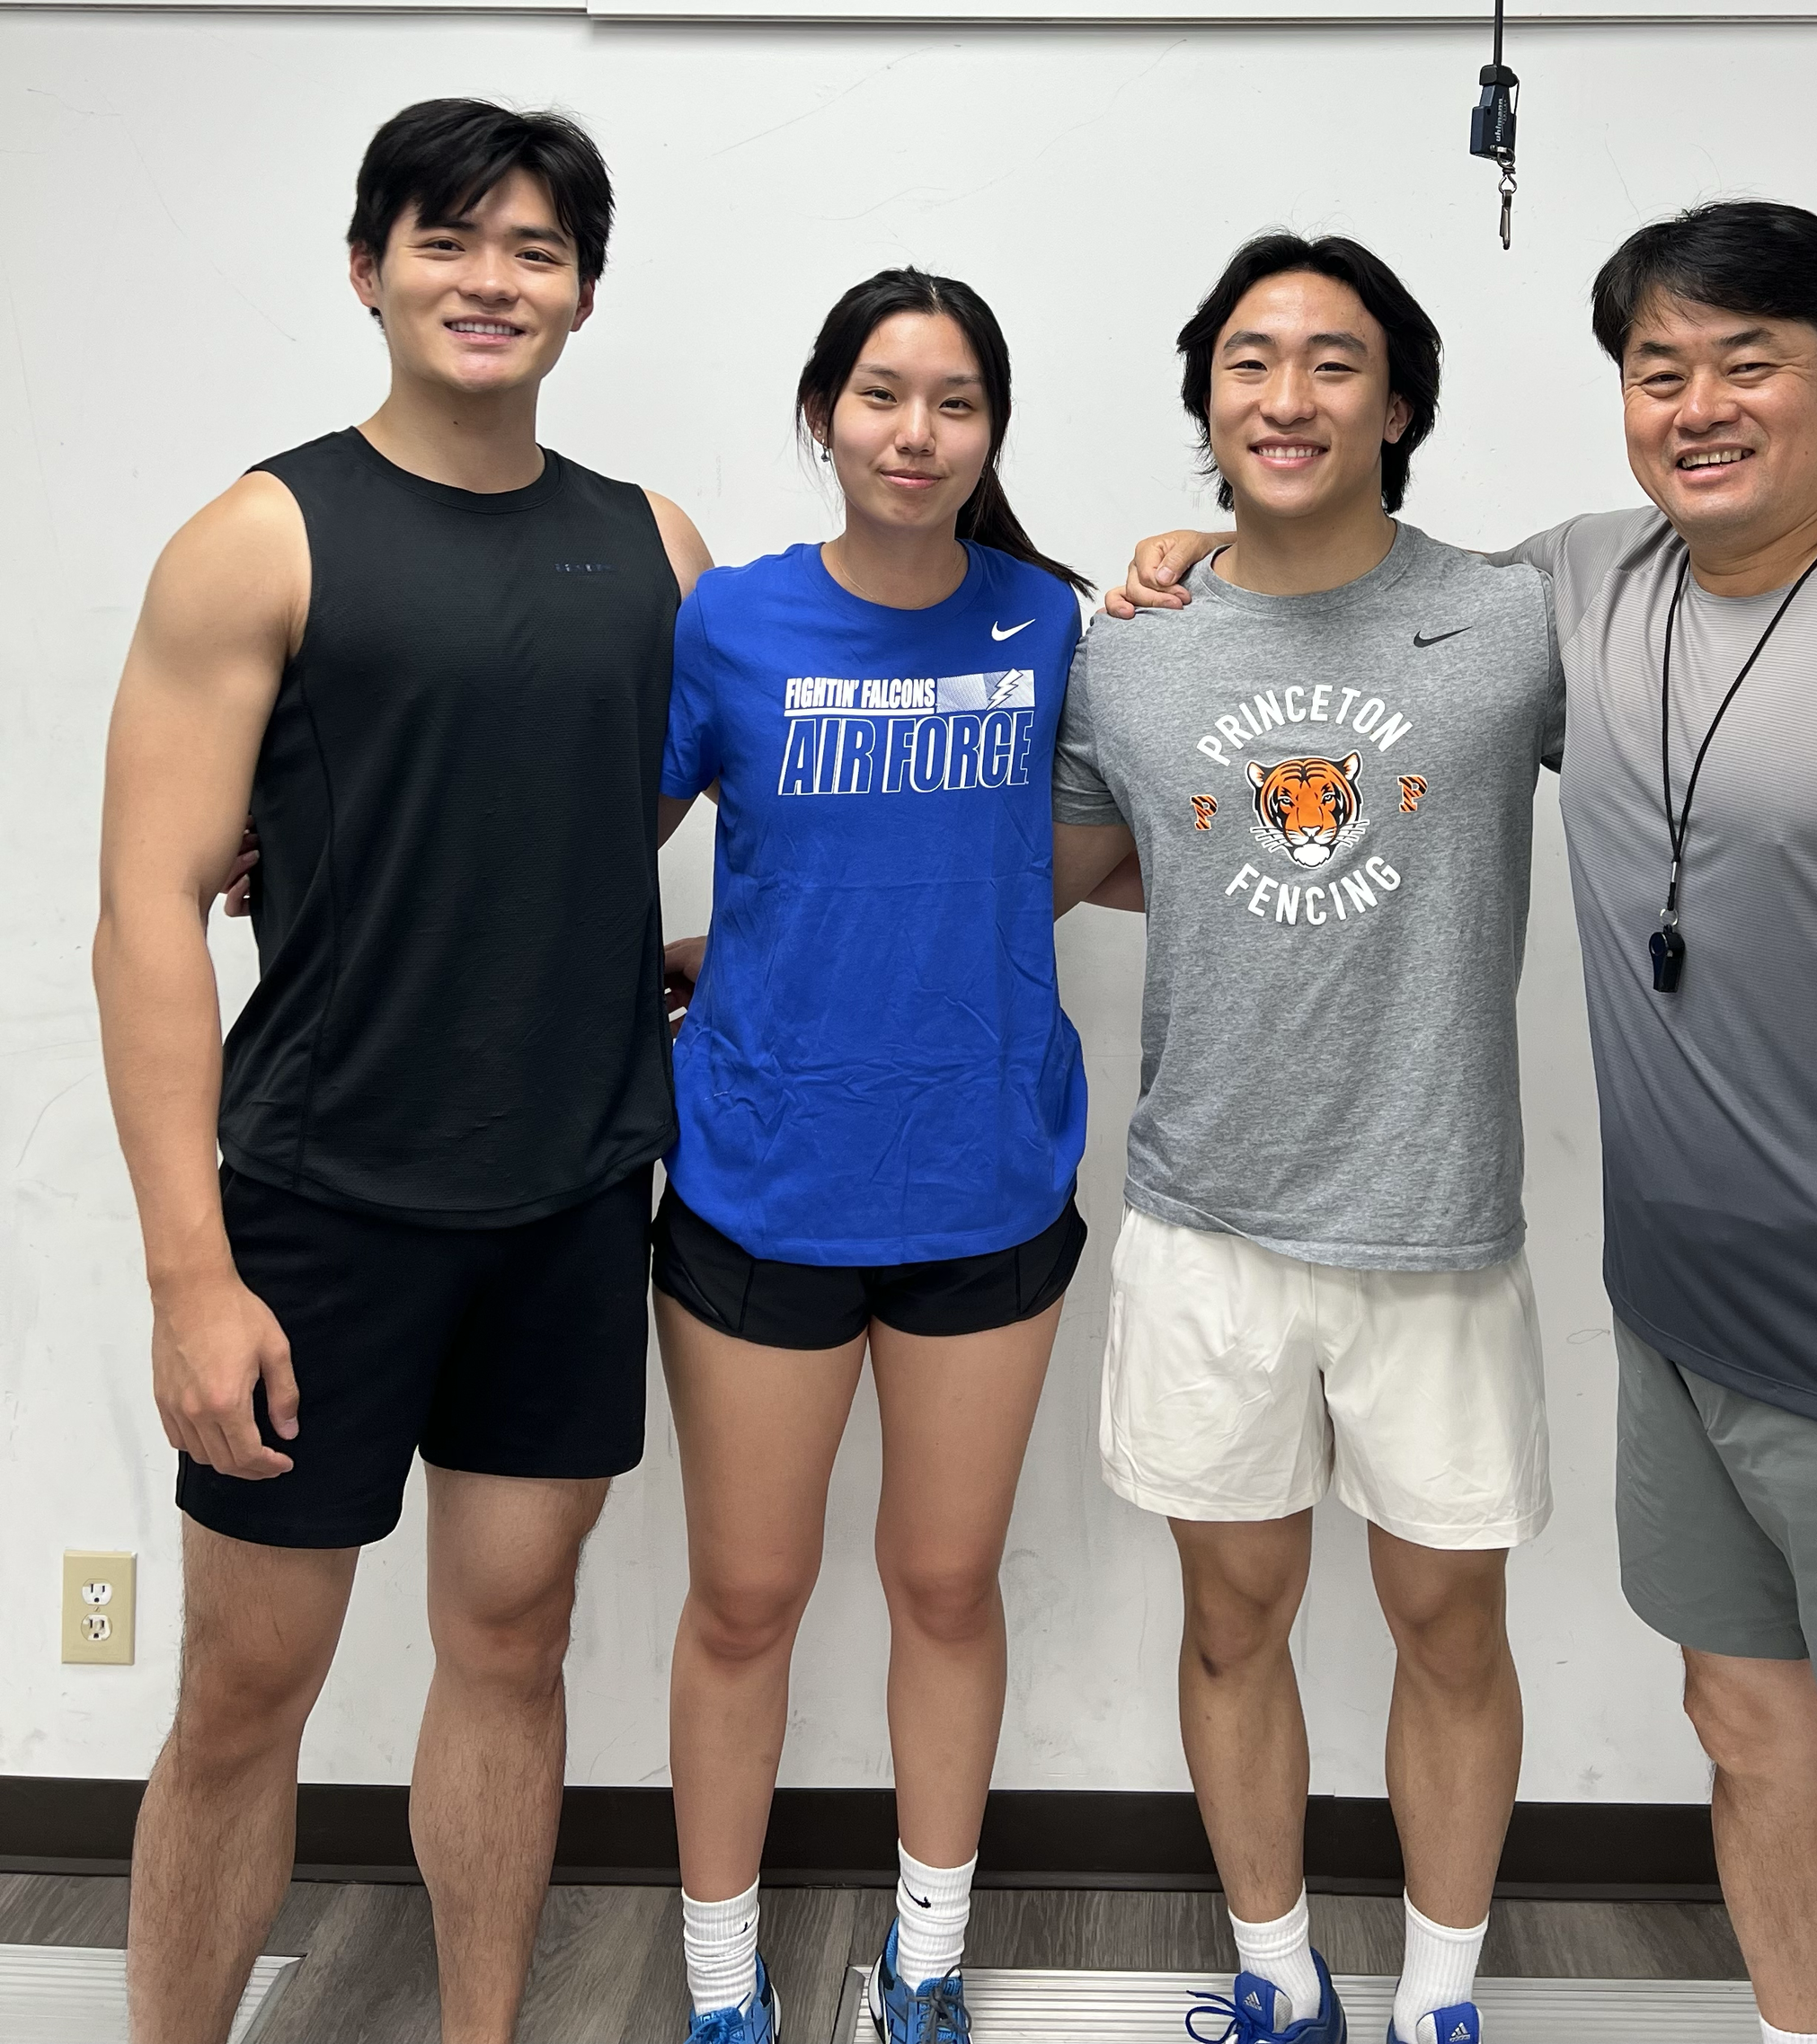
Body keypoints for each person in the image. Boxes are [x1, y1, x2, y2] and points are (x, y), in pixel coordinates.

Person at [1118, 199, 1817, 2044]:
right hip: (1680, 1325)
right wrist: (1196, 550)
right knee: (1753, 1744)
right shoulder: (1583, 585)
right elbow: (1342, 596)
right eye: (1655, 367)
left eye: (1744, 361)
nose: (1693, 403)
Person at [94, 98, 710, 2044]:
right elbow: (145, 919)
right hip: (315, 1210)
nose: (491, 278)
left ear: (584, 293)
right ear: (369, 267)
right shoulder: (258, 536)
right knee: (241, 1693)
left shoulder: (656, 547)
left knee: (511, 1649)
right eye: (449, 240)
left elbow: (683, 802)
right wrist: (192, 1271)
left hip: (561, 1197)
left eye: (534, 249)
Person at [1049, 235, 1565, 2044]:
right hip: (1208, 1221)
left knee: (1448, 1630)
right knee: (1228, 1620)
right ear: (1204, 399)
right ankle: (1277, 1977)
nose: (1286, 395)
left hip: (1433, 1222)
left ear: (1395, 401)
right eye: (1249, 360)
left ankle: (1438, 2000)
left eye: (1332, 361)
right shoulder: (1133, 650)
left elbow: (1719, 637)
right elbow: (1021, 873)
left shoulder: (1513, 617)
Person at [654, 270, 1095, 2044]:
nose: (917, 433)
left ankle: (925, 1956)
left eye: (957, 400)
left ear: (991, 429)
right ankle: (714, 1978)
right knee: (745, 1598)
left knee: (941, 1584)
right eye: (882, 394)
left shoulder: (1056, 619)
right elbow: (563, 822)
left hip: (981, 1176)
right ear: (823, 410)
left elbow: (1152, 805)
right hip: (764, 1172)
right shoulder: (728, 626)